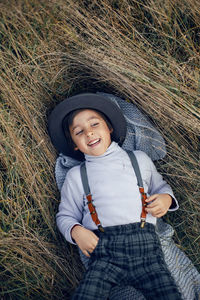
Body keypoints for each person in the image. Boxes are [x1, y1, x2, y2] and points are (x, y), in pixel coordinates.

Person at [48, 93, 182, 300]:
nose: (89, 133)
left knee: (169, 295)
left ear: (109, 128)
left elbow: (161, 186)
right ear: (74, 144)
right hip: (105, 253)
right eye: (79, 132)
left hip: (147, 252)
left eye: (94, 124)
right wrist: (76, 231)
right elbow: (65, 215)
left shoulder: (138, 159)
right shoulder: (76, 176)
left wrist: (165, 199)